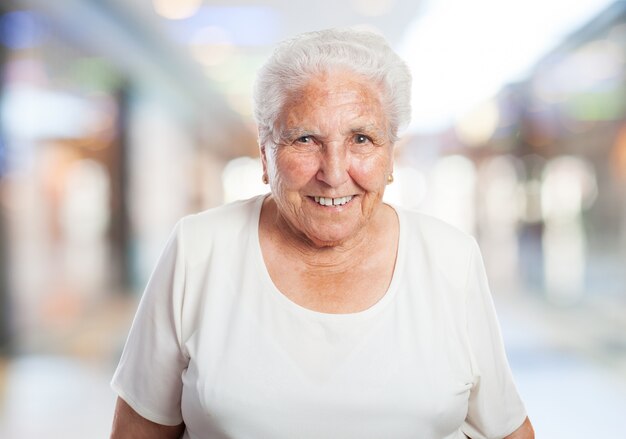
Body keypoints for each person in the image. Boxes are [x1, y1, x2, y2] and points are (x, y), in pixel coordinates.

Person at [110, 29, 534, 439]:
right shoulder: (197, 250)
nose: (333, 174)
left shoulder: (450, 258)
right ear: (265, 153)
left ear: (389, 156)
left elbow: (507, 431)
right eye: (306, 139)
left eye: (362, 138)